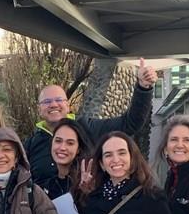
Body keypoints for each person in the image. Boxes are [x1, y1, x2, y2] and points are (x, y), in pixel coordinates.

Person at [24, 60, 157, 185]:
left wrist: (143, 88)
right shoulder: (30, 145)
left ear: (68, 104)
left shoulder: (88, 128)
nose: (53, 104)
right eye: (47, 102)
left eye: (59, 100)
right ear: (39, 109)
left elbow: (130, 124)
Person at [34, 118, 93, 203]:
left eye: (70, 143)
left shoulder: (87, 180)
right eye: (58, 141)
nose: (62, 148)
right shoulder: (47, 186)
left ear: (78, 149)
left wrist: (87, 193)